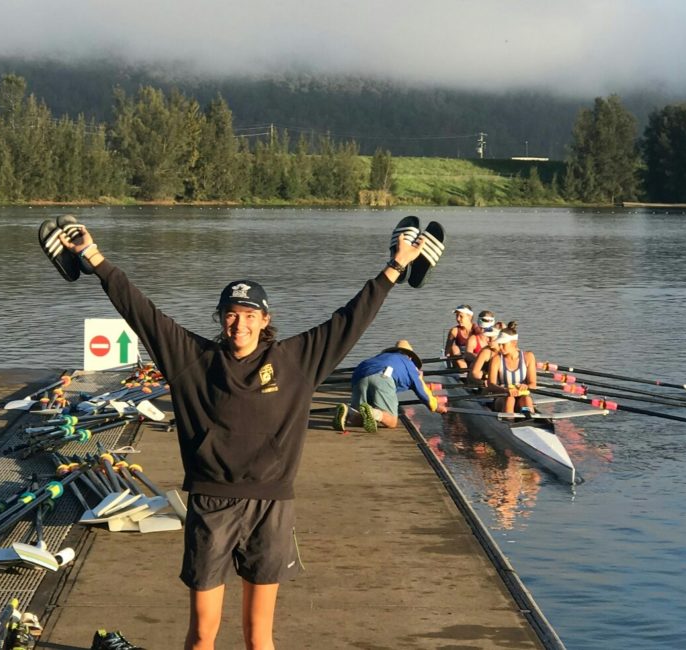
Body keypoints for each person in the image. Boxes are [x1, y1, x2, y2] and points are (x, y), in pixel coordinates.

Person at [55, 222, 430, 650]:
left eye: (250, 316)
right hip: (211, 503)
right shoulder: (192, 358)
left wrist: (396, 265)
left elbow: (351, 318)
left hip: (270, 505)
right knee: (201, 636)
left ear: (265, 320)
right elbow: (142, 312)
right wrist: (95, 258)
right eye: (231, 315)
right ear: (220, 319)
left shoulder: (298, 360)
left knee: (258, 638)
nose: (240, 324)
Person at [334, 340, 447, 432]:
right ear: (410, 356)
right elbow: (422, 392)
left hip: (359, 375)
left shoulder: (382, 356)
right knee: (392, 421)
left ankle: (348, 412)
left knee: (358, 420)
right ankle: (374, 413)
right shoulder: (409, 364)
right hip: (383, 377)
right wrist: (436, 407)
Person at [486, 322, 537, 414]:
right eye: (499, 344)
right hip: (502, 397)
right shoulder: (496, 359)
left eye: (503, 344)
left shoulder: (528, 357)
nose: (500, 347)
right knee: (510, 399)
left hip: (521, 397)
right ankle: (509, 422)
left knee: (527, 400)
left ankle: (529, 419)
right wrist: (506, 390)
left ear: (514, 343)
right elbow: (491, 385)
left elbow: (533, 384)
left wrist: (526, 386)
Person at [444, 304, 478, 368]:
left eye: (461, 316)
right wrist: (448, 368)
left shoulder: (477, 330)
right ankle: (464, 370)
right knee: (453, 347)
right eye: (457, 316)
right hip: (459, 363)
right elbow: (447, 352)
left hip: (474, 361)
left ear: (470, 316)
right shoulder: (454, 331)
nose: (458, 319)